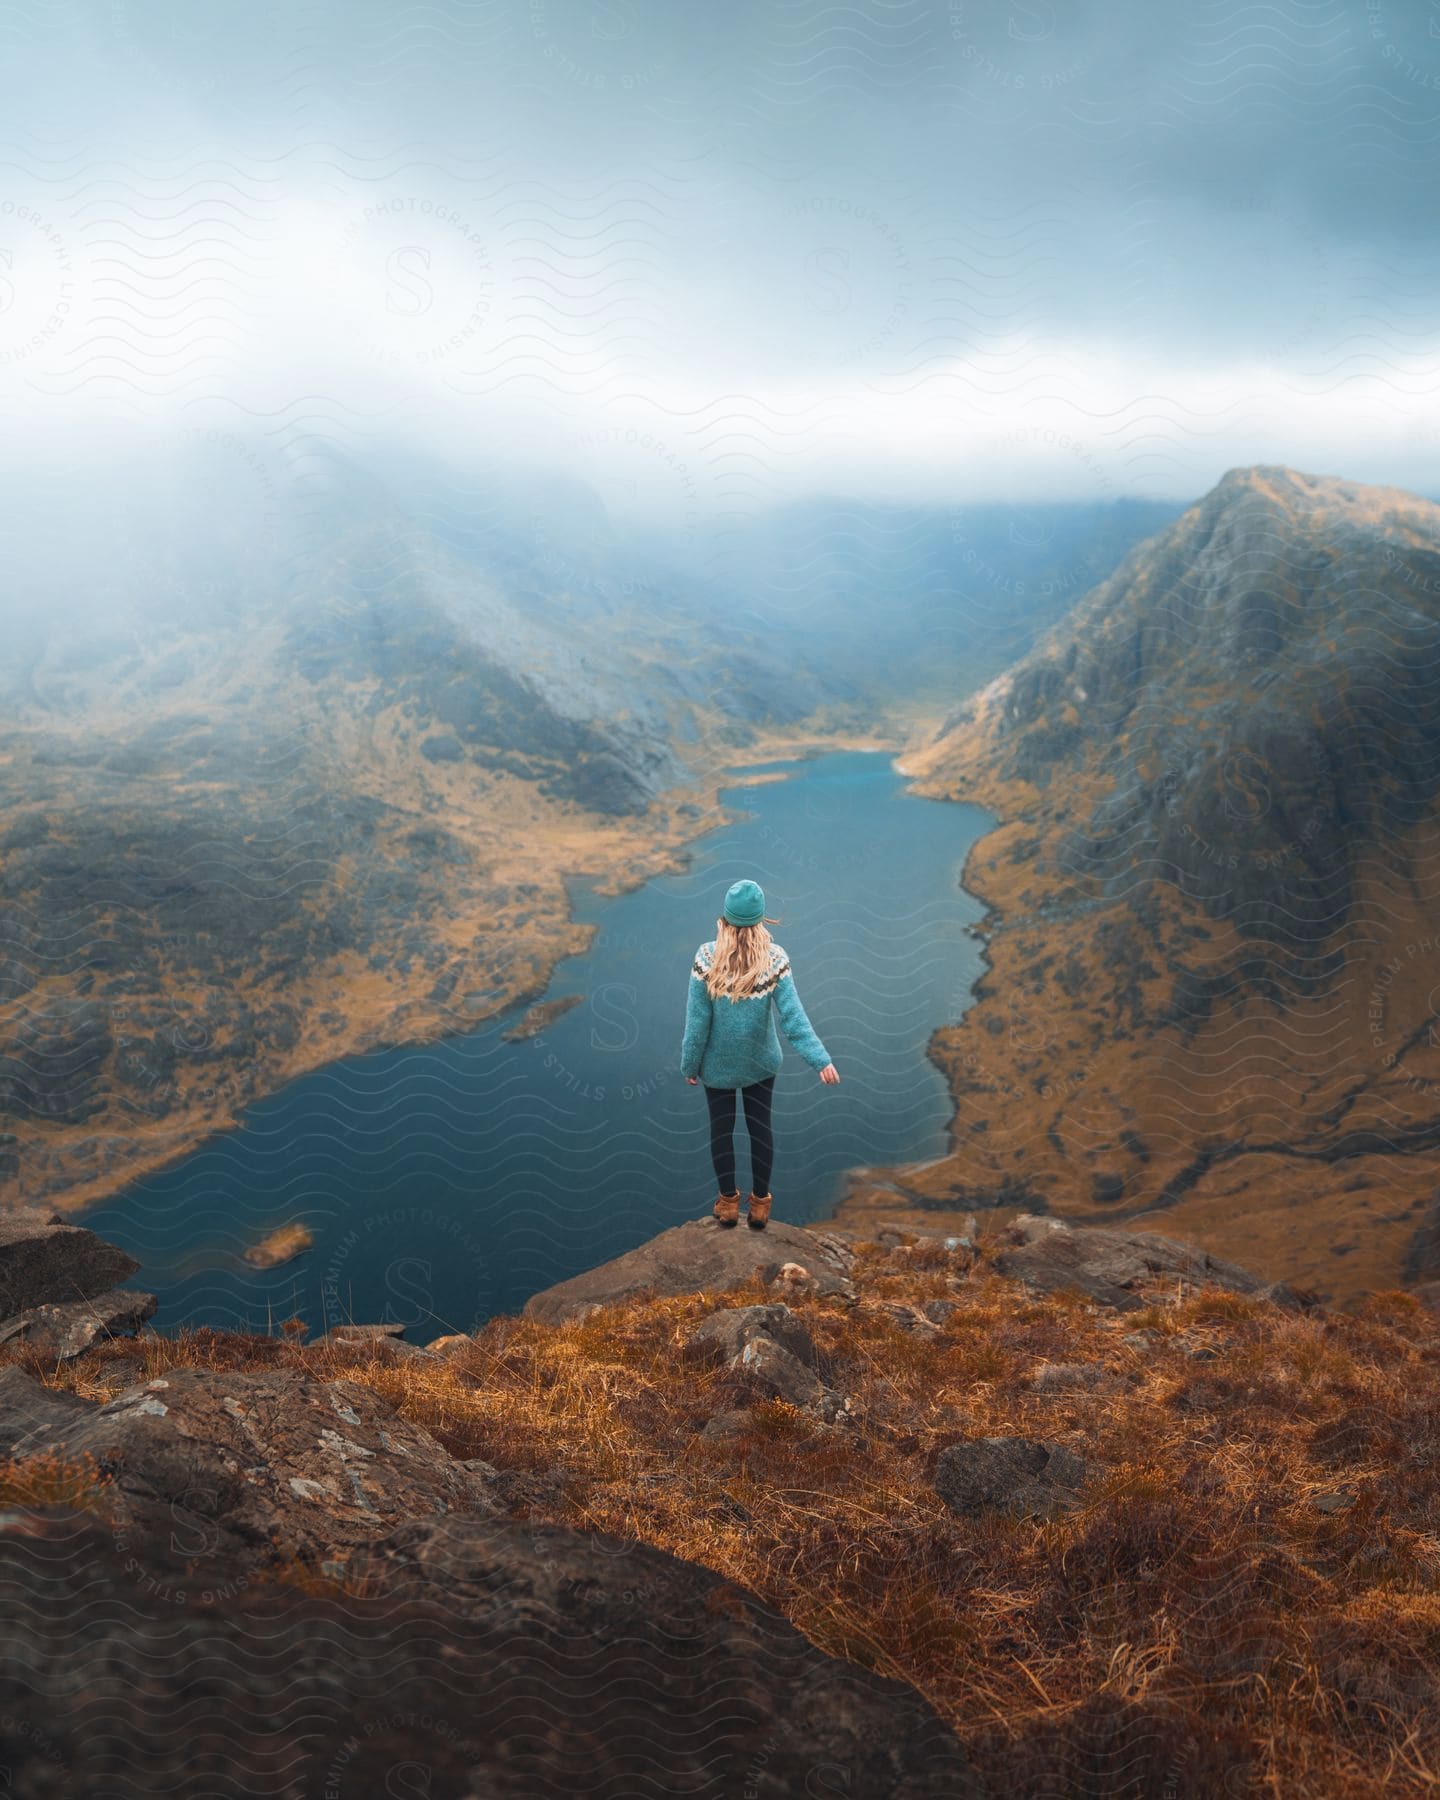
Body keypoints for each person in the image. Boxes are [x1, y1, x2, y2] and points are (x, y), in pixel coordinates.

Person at [679, 878, 839, 1230]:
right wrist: (821, 1060)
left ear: (725, 919)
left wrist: (689, 1065)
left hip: (717, 1068)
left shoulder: (706, 959)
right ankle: (761, 1207)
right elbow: (793, 1020)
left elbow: (697, 1023)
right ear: (761, 921)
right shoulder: (775, 960)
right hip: (761, 1063)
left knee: (722, 1130)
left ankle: (728, 1204)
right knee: (759, 1129)